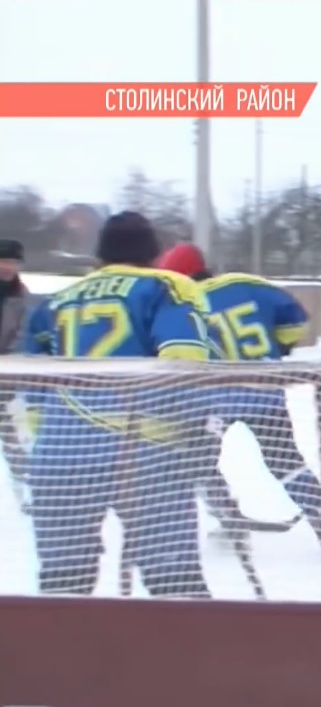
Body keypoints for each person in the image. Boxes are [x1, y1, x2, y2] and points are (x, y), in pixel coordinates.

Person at [21, 212, 213, 597]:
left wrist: (54, 439)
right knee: (174, 579)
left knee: (63, 581)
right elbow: (184, 360)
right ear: (153, 252)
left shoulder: (56, 300)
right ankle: (188, 654)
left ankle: (61, 656)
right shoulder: (166, 286)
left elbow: (33, 381)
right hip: (143, 450)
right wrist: (195, 430)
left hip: (59, 456)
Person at [156, 243, 321, 559]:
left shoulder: (182, 302)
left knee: (197, 461)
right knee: (284, 460)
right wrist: (278, 348)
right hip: (265, 389)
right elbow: (295, 322)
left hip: (215, 400)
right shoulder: (248, 283)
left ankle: (229, 517)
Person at [0, 239, 33, 512]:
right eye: (4, 261)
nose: (8, 267)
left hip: (5, 378)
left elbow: (22, 333)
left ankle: (25, 492)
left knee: (15, 439)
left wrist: (9, 365)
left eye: (13, 262)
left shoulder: (20, 294)